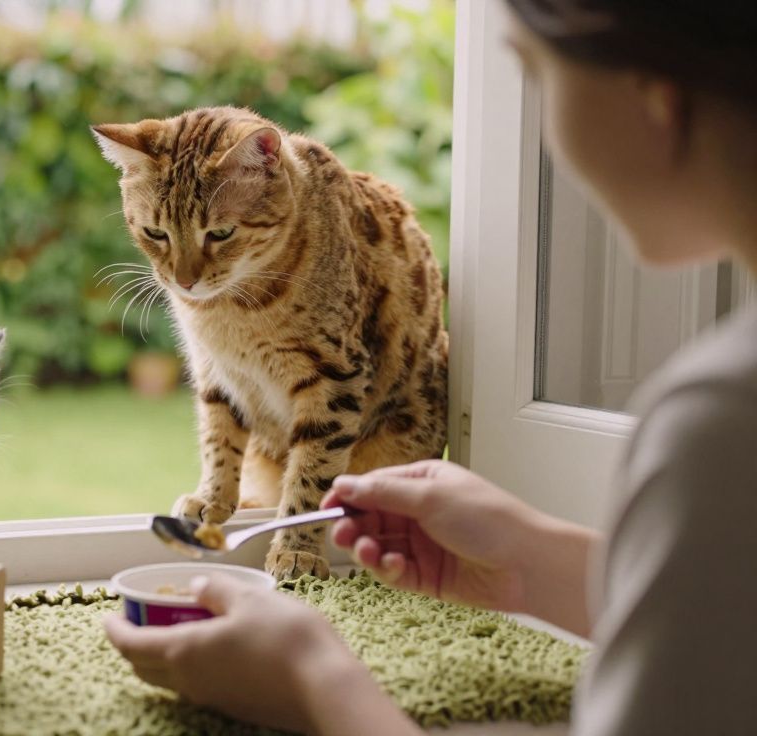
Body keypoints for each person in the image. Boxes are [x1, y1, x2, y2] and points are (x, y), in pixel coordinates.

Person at [104, 2, 757, 734]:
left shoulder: (722, 429)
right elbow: (723, 608)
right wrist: (529, 560)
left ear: (653, 93)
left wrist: (316, 682)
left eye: (530, 69)